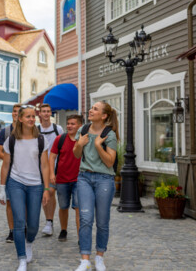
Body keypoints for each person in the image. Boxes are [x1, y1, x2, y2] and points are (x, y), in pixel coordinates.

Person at [0, 105, 51, 271]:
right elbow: (5, 165)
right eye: (27, 116)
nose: (31, 119)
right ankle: (21, 258)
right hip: (16, 183)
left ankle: (29, 242)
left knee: (34, 224)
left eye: (33, 116)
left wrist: (47, 189)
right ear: (20, 119)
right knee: (19, 221)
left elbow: (45, 166)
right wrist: (2, 188)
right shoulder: (12, 140)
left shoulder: (41, 140)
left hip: (36, 185)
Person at [73, 102, 119, 271]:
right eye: (91, 108)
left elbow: (109, 162)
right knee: (85, 219)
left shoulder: (109, 134)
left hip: (104, 179)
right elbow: (76, 154)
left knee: (102, 221)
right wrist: (80, 144)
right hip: (84, 177)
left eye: (95, 109)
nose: (90, 110)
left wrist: (98, 145)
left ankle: (99, 257)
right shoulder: (83, 130)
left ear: (104, 116)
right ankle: (85, 259)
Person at [49, 115, 83, 242]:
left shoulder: (83, 140)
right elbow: (52, 157)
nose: (69, 126)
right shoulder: (60, 139)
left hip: (79, 180)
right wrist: (52, 174)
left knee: (79, 208)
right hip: (62, 179)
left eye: (73, 124)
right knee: (63, 206)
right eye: (68, 123)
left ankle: (81, 237)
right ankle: (63, 230)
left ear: (80, 126)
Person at [0, 103, 22, 243]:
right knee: (10, 203)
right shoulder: (5, 131)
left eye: (19, 112)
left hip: (26, 172)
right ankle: (12, 231)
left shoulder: (31, 131)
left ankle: (22, 227)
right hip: (10, 171)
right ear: (12, 114)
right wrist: (10, 158)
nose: (16, 114)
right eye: (14, 111)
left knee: (25, 203)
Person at [37, 103, 64, 236]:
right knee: (45, 193)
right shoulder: (36, 130)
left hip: (55, 167)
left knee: (51, 192)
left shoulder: (57, 129)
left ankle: (50, 221)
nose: (46, 114)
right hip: (40, 168)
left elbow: (63, 146)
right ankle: (48, 221)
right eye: (44, 111)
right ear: (40, 114)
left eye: (48, 111)